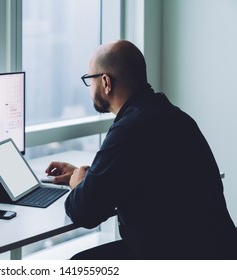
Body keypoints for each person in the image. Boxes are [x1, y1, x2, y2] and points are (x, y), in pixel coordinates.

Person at [45, 40, 237, 259]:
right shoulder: (171, 116)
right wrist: (88, 177)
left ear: (106, 82)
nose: (90, 88)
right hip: (215, 249)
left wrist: (78, 183)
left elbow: (84, 213)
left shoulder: (130, 129)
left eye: (90, 79)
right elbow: (129, 178)